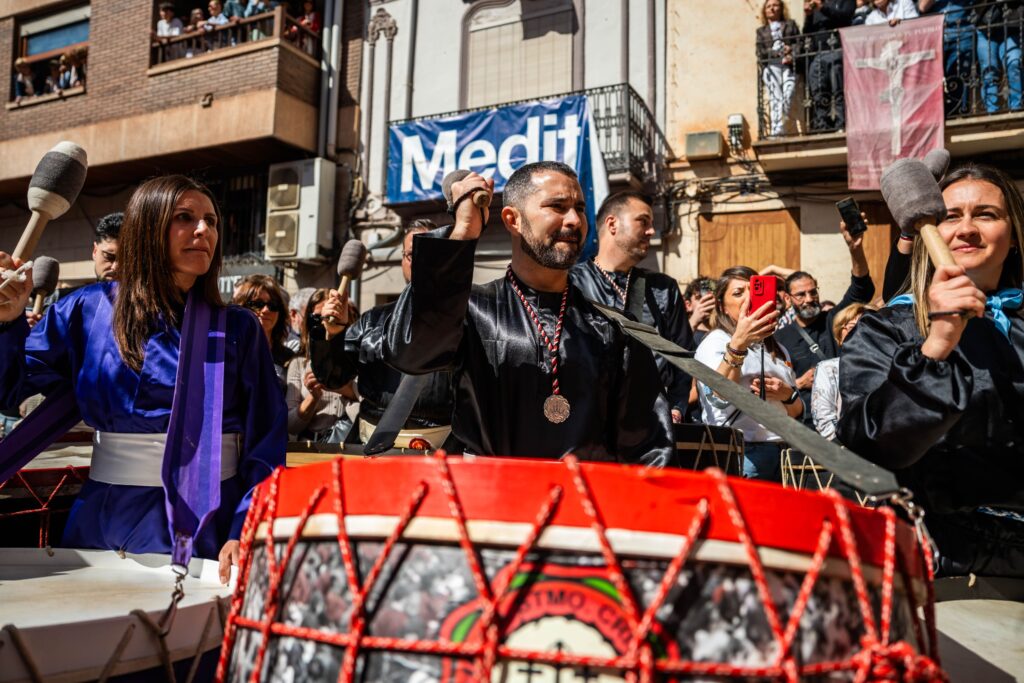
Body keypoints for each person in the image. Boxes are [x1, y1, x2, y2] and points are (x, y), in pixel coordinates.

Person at [0, 175, 285, 581]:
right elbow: (8, 389)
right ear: (148, 228)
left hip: (208, 522)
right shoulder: (85, 309)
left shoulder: (239, 328)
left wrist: (246, 526)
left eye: (211, 220)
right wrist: (6, 323)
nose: (203, 230)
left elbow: (266, 440)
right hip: (103, 518)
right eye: (184, 217)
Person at [321, 162, 674, 464]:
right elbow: (412, 351)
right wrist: (462, 233)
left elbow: (648, 447)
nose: (574, 220)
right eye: (557, 206)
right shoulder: (472, 311)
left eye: (579, 208)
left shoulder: (612, 328)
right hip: (490, 509)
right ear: (512, 219)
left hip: (581, 511)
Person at [839, 162, 1024, 577]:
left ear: (1013, 236)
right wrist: (938, 342)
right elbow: (870, 444)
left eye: (986, 214)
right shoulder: (885, 329)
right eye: (951, 216)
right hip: (935, 559)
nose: (967, 229)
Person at [312, 221, 457, 450]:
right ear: (403, 261)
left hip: (443, 448)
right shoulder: (372, 320)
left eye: (428, 252)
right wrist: (334, 334)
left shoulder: (465, 319)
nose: (420, 260)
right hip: (373, 443)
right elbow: (333, 378)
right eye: (412, 254)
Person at [571, 191, 694, 424]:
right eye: (643, 222)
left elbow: (684, 356)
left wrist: (676, 406)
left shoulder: (663, 288)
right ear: (612, 224)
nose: (651, 231)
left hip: (654, 424)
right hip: (589, 422)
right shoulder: (571, 283)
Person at [695, 266, 802, 481]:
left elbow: (796, 412)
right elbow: (719, 397)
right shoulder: (716, 342)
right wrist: (738, 345)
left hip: (783, 454)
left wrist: (786, 395)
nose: (749, 298)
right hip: (743, 453)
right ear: (722, 307)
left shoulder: (778, 348)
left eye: (754, 290)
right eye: (738, 293)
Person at [775, 218, 874, 424]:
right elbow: (773, 384)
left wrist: (855, 249)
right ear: (788, 299)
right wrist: (799, 383)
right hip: (805, 422)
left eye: (813, 292)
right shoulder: (780, 338)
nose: (809, 299)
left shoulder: (833, 319)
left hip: (844, 416)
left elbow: (861, 288)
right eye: (801, 295)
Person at [286, 289, 355, 443]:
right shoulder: (298, 363)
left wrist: (341, 387)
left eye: (332, 316)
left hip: (350, 446)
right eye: (318, 317)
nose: (325, 323)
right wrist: (313, 397)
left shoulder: (357, 359)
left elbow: (373, 408)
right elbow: (290, 426)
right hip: (311, 448)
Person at [809, 302, 871, 440]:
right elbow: (824, 420)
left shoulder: (889, 363)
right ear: (839, 336)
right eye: (851, 327)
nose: (859, 331)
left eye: (866, 325)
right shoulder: (829, 369)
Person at [233, 274, 295, 390]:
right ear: (242, 308)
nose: (266, 310)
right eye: (257, 304)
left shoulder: (289, 358)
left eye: (273, 305)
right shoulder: (229, 352)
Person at [803, 0, 856, 132]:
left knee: (838, 89)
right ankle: (823, 126)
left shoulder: (844, 2)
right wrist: (809, 16)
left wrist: (822, 8)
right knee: (819, 92)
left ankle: (841, 124)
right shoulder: (815, 7)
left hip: (837, 50)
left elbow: (845, 18)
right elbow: (807, 33)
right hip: (817, 54)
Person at [918, 0, 977, 116]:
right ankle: (937, 114)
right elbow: (922, 7)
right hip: (937, 34)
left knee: (961, 76)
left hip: (963, 32)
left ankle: (960, 113)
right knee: (933, 77)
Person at [757, 0, 800, 137]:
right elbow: (760, 52)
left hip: (788, 65)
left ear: (781, 8)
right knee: (775, 97)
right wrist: (776, 52)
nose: (772, 8)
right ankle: (777, 130)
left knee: (788, 96)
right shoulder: (761, 31)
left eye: (775, 5)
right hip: (772, 66)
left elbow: (799, 43)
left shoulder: (790, 24)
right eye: (768, 6)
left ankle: (783, 126)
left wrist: (791, 51)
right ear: (765, 11)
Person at [975, 0, 1023, 114]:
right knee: (989, 71)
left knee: (1014, 64)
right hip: (985, 27)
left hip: (1013, 26)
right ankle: (991, 112)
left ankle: (1016, 109)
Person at [683, 276, 716, 346]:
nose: (707, 301)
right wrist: (693, 322)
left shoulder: (725, 332)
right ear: (688, 305)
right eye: (699, 297)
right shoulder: (680, 331)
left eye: (711, 297)